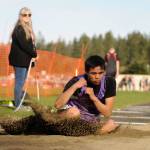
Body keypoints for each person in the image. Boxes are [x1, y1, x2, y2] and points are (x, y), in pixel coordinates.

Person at [55, 55, 119, 134]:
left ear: (104, 72)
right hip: (70, 115)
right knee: (74, 113)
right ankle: (60, 128)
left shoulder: (109, 82)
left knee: (111, 124)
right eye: (93, 73)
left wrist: (93, 98)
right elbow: (57, 105)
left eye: (100, 73)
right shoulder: (77, 80)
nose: (97, 76)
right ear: (86, 72)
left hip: (89, 120)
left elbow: (107, 113)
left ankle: (87, 132)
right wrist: (75, 86)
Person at [9, 7, 37, 108]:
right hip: (19, 60)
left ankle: (19, 102)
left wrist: (33, 56)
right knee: (19, 82)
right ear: (20, 16)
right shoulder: (19, 28)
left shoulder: (28, 28)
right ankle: (17, 104)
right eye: (25, 15)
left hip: (25, 60)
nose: (27, 17)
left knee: (21, 82)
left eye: (29, 15)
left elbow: (31, 45)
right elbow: (24, 45)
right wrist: (34, 54)